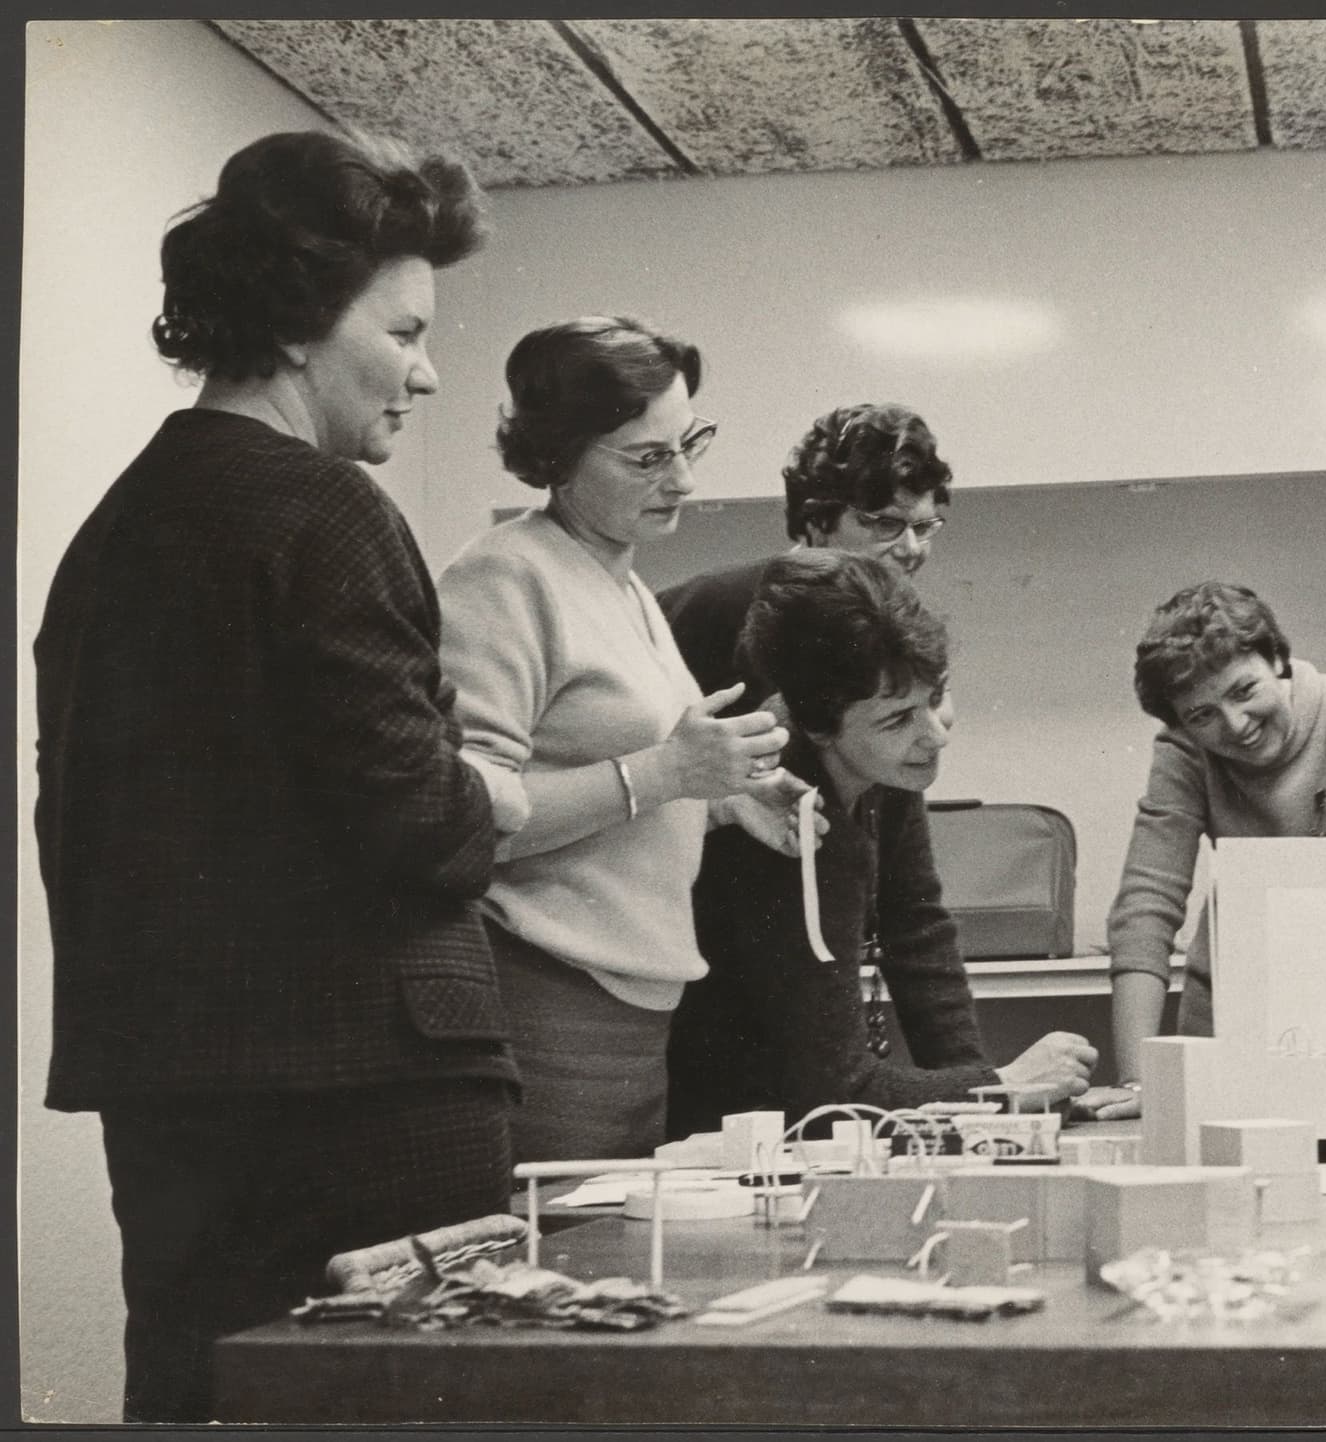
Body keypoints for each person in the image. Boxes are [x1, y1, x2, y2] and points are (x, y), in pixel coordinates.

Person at [34, 130, 517, 1423]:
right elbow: (423, 826)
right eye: (406, 330)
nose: (429, 368)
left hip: (172, 1095)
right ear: (305, 321)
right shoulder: (328, 511)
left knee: (199, 1399)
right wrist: (496, 797)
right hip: (374, 1101)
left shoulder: (111, 534)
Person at [437, 317, 808, 1163]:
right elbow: (468, 817)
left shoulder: (619, 578)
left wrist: (721, 802)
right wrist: (668, 769)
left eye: (688, 445)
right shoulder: (504, 576)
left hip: (633, 1005)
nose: (681, 479)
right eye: (647, 457)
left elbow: (615, 782)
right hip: (546, 996)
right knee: (560, 1264)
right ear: (559, 454)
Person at [666, 550, 1098, 1135]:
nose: (934, 735)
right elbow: (832, 1093)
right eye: (897, 720)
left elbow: (918, 931)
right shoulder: (781, 811)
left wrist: (993, 1104)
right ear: (816, 726)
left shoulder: (883, 770)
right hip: (737, 1137)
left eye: (935, 697)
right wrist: (999, 1088)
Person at [1088, 581, 1326, 1119]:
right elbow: (1146, 906)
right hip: (1230, 1017)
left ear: (1277, 659)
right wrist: (1141, 1082)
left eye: (1243, 690)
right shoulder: (1183, 750)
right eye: (1202, 715)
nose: (1235, 725)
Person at [658, 401, 952, 704]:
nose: (911, 549)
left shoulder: (906, 627)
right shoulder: (705, 608)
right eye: (886, 524)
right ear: (817, 521)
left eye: (922, 527)